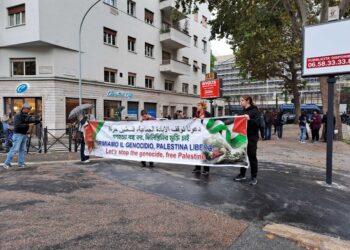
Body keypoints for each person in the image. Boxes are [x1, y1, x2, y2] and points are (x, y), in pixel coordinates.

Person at [3, 104, 41, 169]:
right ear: (24, 108)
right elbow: (17, 126)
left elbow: (31, 120)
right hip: (18, 134)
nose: (29, 110)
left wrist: (37, 120)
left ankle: (21, 163)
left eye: (29, 109)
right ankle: (6, 163)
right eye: (28, 109)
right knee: (14, 149)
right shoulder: (18, 115)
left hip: (24, 134)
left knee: (22, 150)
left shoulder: (26, 115)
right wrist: (28, 125)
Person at [234, 95, 260, 185]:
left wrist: (249, 119)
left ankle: (254, 177)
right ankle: (242, 174)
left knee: (252, 157)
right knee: (242, 156)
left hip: (252, 138)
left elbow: (259, 124)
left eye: (242, 100)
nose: (240, 102)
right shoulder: (242, 112)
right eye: (240, 100)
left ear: (248, 101)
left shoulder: (255, 111)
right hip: (242, 137)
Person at [192, 101, 212, 176]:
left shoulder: (208, 114)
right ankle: (197, 168)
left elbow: (210, 124)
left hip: (206, 136)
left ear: (203, 106)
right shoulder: (196, 114)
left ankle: (206, 169)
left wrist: (203, 119)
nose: (197, 107)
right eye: (197, 105)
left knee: (205, 152)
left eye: (198, 105)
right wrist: (194, 120)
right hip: (198, 136)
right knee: (198, 152)